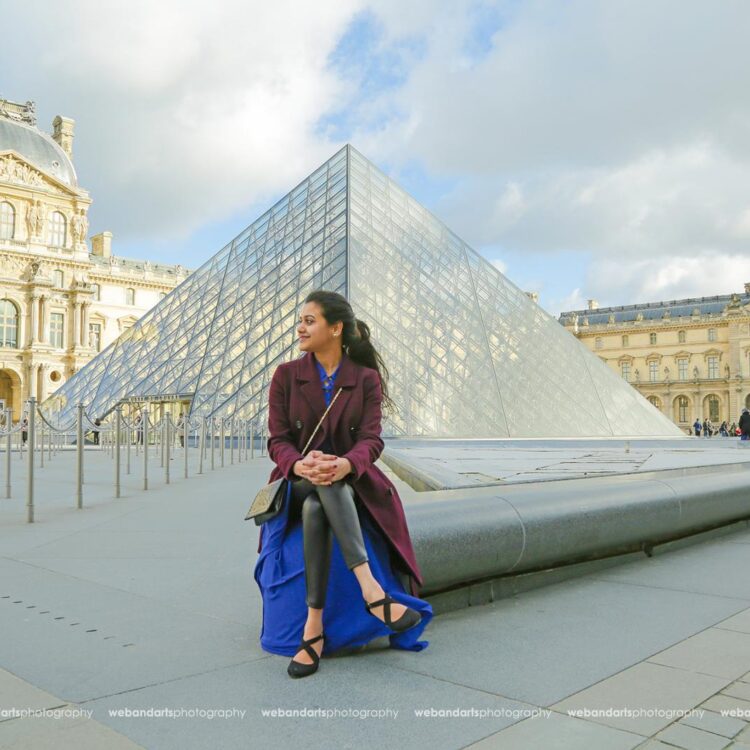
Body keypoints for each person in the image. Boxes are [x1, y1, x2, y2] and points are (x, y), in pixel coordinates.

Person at [254, 289, 432, 678]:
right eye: (300, 320)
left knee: (323, 500)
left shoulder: (364, 380)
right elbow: (277, 440)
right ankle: (372, 591)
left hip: (348, 483)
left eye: (309, 320)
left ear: (335, 329)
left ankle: (313, 629)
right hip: (297, 481)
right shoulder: (286, 376)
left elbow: (372, 439)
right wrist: (301, 465)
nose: (300, 327)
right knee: (319, 488)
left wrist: (346, 463)